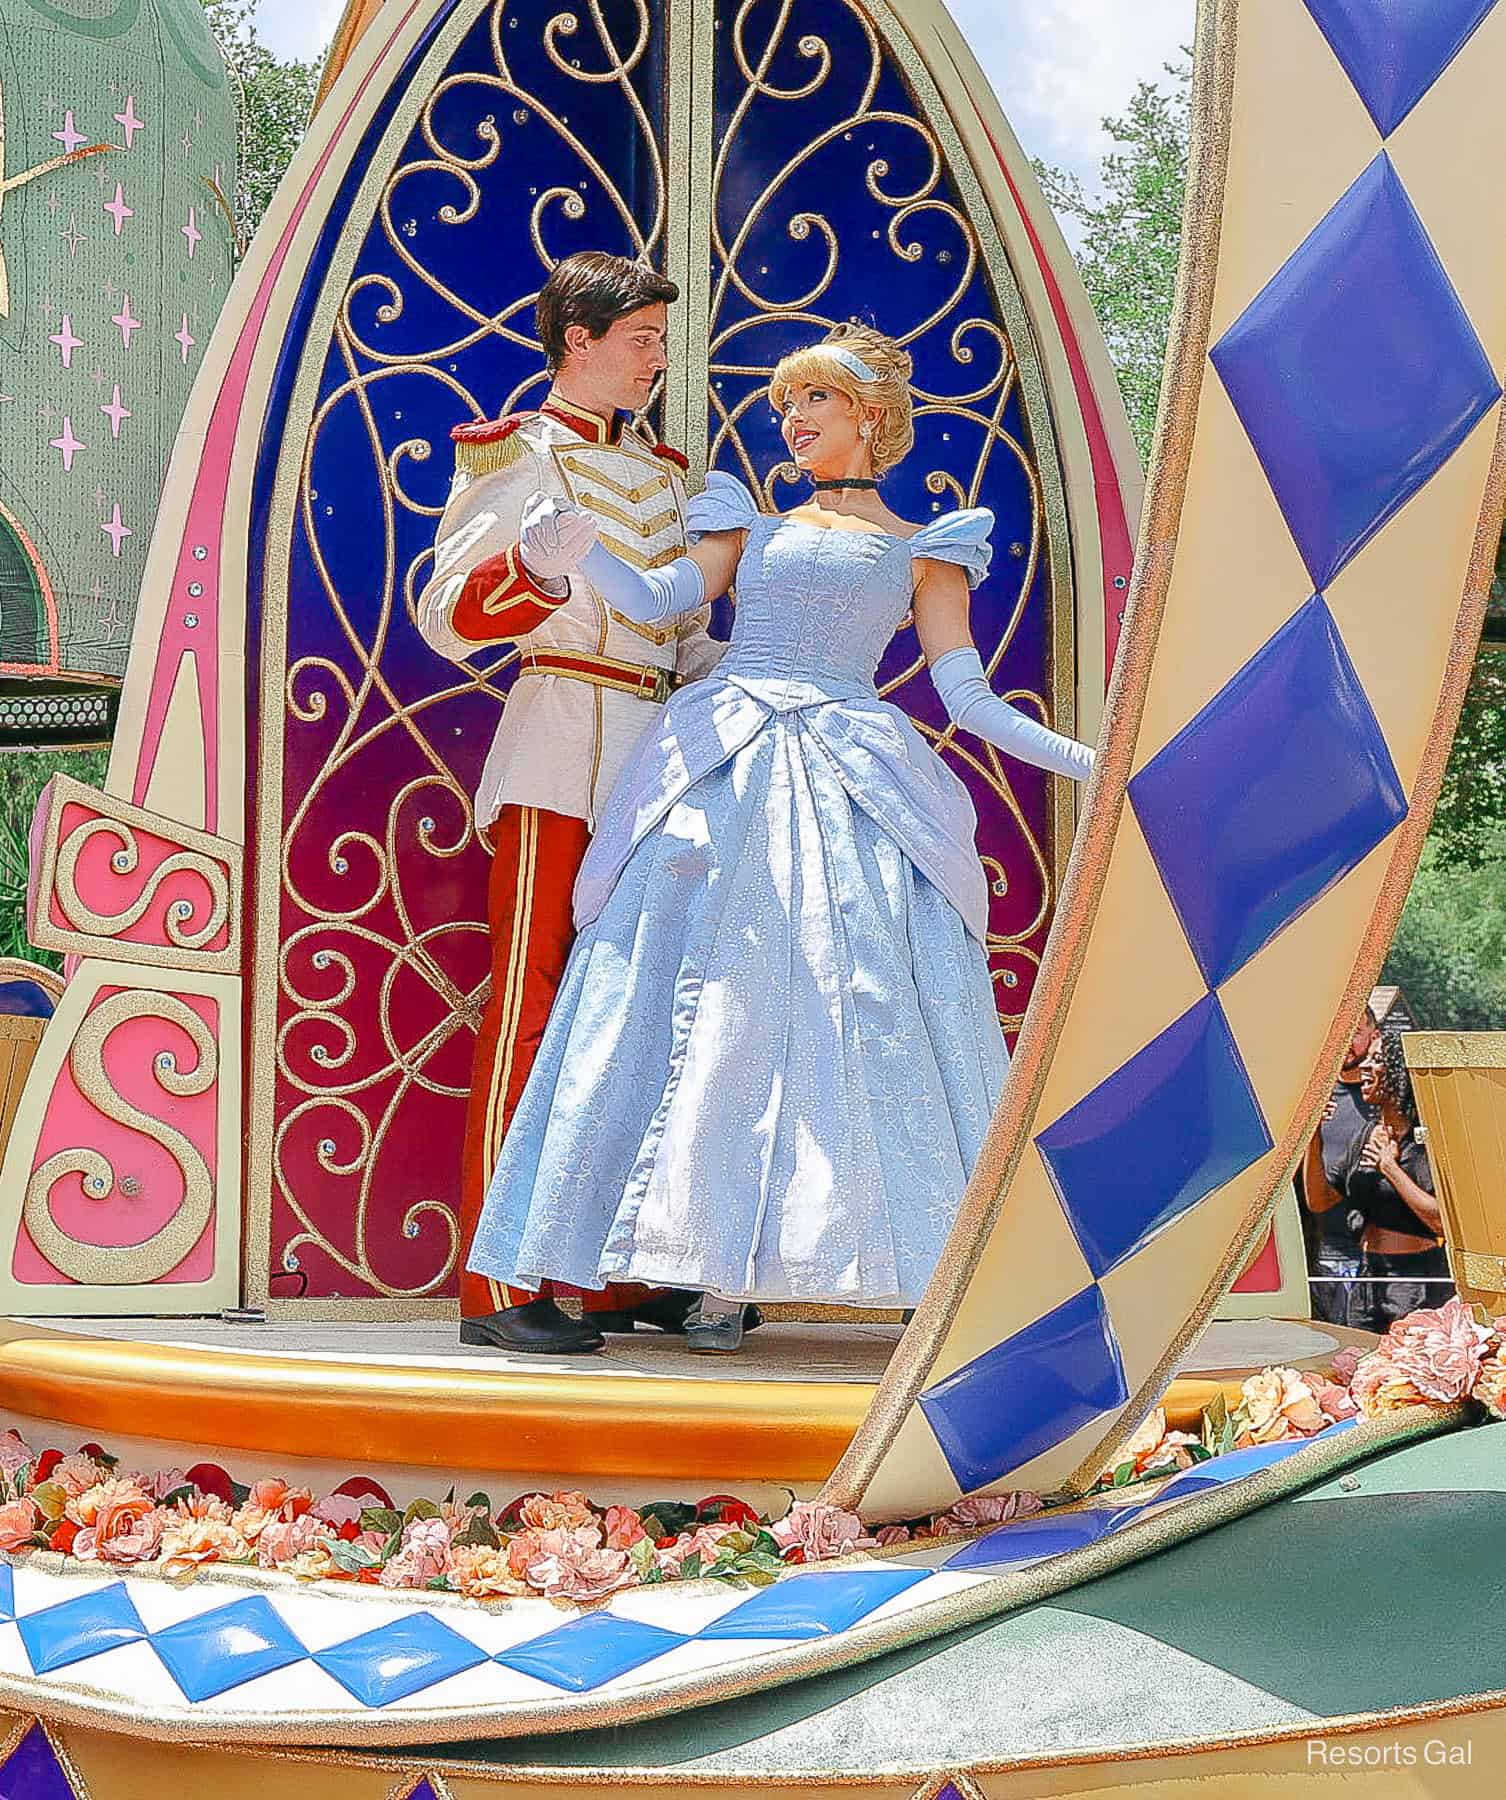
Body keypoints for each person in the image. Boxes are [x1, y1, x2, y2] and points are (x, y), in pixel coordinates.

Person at [466, 323, 1096, 1352]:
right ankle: (694, 1269)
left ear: (873, 417)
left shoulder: (926, 547)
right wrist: (573, 560)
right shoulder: (740, 520)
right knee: (696, 1012)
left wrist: (1090, 763)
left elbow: (966, 695)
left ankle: (860, 1271)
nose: (794, 422)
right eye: (786, 406)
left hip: (851, 769)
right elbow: (668, 598)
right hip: (723, 763)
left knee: (848, 1012)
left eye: (817, 403)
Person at [417, 251, 725, 1355]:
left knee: (638, 1016)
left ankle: (599, 1277)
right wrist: (535, 579)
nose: (654, 359)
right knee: (533, 1006)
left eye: (658, 339)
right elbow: (446, 615)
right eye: (639, 338)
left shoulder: (671, 478)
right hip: (558, 742)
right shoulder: (512, 453)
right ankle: (495, 1281)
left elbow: (687, 636)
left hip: (655, 756)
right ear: (578, 339)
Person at [1303, 1028, 1452, 1332]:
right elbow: (1319, 1200)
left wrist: (1390, 1168)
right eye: (1367, 1058)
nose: (1366, 1067)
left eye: (1377, 1060)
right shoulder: (1365, 1134)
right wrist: (1312, 1132)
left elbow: (1441, 1220)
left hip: (1417, 1282)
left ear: (1398, 1073)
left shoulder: (1424, 1140)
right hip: (1368, 1279)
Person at [1301, 1004, 1379, 1326]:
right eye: (1340, 1032)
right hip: (1317, 1256)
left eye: (1356, 1032)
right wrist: (1310, 1129)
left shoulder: (1388, 1100)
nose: (1347, 1041)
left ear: (1374, 1035)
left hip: (1376, 1262)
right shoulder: (1311, 1097)